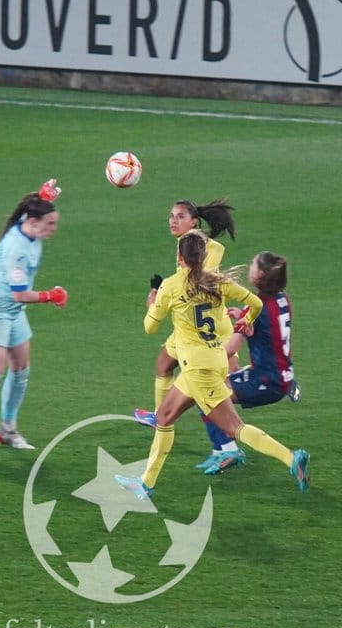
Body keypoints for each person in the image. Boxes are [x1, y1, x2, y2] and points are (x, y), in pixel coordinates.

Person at [115, 231, 310, 500]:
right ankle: (145, 484)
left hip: (199, 370)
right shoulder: (217, 281)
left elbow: (150, 327)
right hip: (212, 361)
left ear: (179, 257)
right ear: (203, 256)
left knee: (234, 428)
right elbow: (254, 303)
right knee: (164, 417)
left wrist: (152, 305)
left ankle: (290, 457)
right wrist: (246, 321)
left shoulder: (171, 286)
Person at [0, 180, 67, 457]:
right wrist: (51, 295)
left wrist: (44, 196)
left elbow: (30, 208)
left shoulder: (29, 226)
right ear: (33, 222)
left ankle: (7, 429)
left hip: (13, 312)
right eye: (50, 223)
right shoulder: (16, 249)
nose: (54, 228)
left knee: (20, 370)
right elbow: (20, 295)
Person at [134, 198, 237, 427]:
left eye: (180, 217)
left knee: (223, 385)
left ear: (194, 222)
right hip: (193, 323)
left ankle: (273, 378)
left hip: (207, 326)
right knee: (164, 364)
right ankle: (159, 416)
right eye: (171, 216)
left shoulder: (201, 245)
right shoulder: (187, 242)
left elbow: (214, 254)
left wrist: (159, 301)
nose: (173, 221)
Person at [196, 250, 300, 476]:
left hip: (266, 379)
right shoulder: (282, 298)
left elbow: (231, 349)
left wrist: (202, 357)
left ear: (260, 275)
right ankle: (222, 451)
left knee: (207, 395)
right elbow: (268, 328)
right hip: (281, 373)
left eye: (253, 264)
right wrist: (243, 316)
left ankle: (229, 451)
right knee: (213, 398)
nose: (249, 266)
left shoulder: (255, 307)